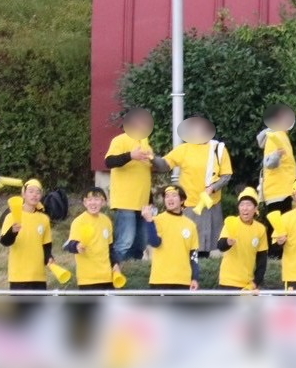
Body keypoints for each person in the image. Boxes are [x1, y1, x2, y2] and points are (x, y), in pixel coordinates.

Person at [164, 115, 232, 259]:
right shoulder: (183, 149)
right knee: (189, 244)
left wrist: (213, 188)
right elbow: (165, 164)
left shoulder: (218, 149)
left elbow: (226, 175)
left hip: (211, 203)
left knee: (206, 246)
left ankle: (201, 275)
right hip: (189, 205)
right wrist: (151, 159)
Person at [103, 107, 158, 264]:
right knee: (124, 242)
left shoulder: (146, 145)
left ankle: (134, 275)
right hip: (125, 201)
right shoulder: (120, 140)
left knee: (140, 244)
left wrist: (150, 200)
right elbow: (109, 161)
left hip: (143, 204)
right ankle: (117, 270)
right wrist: (130, 156)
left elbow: (146, 175)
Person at [0, 180, 56, 291]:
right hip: (19, 276)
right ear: (23, 194)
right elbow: (4, 242)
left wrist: (49, 258)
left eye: (38, 192)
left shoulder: (44, 219)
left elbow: (46, 245)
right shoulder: (11, 216)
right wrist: (13, 231)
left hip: (39, 276)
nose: (34, 195)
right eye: (31, 191)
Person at [143, 185, 199, 291]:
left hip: (183, 281)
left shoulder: (190, 225)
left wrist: (195, 278)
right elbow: (155, 243)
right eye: (167, 196)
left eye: (174, 196)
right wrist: (149, 221)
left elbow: (194, 255)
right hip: (160, 280)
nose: (170, 199)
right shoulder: (157, 220)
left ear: (182, 200)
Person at [63, 187, 118, 290]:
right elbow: (68, 245)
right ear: (85, 202)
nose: (93, 203)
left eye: (97, 199)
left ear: (103, 202)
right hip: (88, 280)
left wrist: (115, 264)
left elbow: (110, 248)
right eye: (89, 200)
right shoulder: (79, 222)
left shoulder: (106, 221)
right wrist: (77, 246)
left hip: (107, 278)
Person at [217, 188, 269, 291]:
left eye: (249, 205)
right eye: (242, 205)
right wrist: (228, 242)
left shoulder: (260, 229)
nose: (245, 208)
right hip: (228, 282)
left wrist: (255, 283)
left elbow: (262, 261)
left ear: (255, 208)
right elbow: (220, 246)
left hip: (247, 285)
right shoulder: (231, 223)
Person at [258, 104, 296, 217]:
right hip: (278, 193)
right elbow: (268, 163)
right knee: (278, 232)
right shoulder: (275, 136)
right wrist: (277, 155)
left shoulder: (283, 136)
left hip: (285, 192)